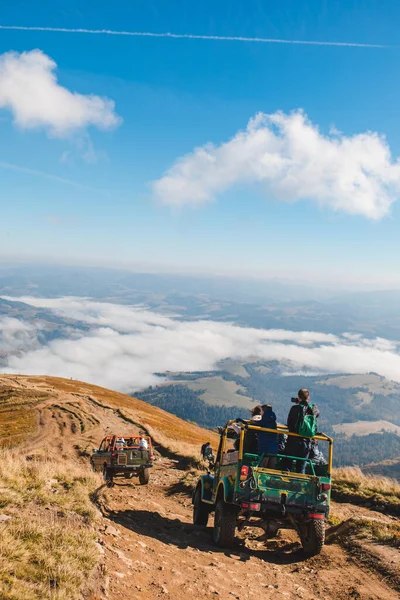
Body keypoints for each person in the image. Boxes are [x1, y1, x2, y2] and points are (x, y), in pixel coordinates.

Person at [282, 389, 319, 474]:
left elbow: (289, 423)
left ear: (298, 397)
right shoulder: (313, 408)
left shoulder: (294, 408)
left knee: (287, 465)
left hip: (293, 440)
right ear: (308, 397)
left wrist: (298, 404)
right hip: (306, 443)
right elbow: (317, 414)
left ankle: (286, 484)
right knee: (301, 468)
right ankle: (298, 486)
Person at [257, 404, 278, 469]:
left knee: (262, 471)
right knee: (271, 471)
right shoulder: (274, 424)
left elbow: (253, 425)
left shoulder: (263, 422)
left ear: (263, 411)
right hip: (274, 452)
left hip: (264, 451)